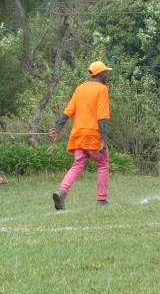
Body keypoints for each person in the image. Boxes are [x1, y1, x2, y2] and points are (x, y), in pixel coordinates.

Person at [50, 61, 112, 210]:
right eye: (105, 72)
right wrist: (103, 139)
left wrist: (57, 129)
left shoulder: (80, 88)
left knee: (77, 165)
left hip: (78, 134)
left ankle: (62, 193)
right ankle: (102, 200)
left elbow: (68, 111)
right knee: (102, 165)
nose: (107, 75)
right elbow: (102, 115)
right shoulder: (102, 89)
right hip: (92, 134)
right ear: (100, 74)